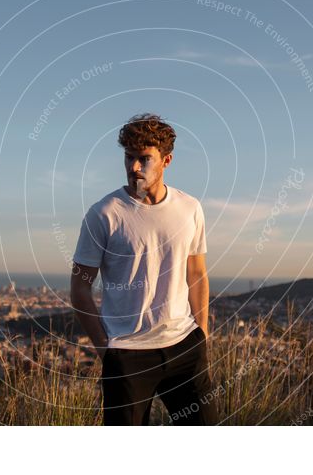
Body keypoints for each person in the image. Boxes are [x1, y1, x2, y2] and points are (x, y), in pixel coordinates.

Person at [70, 113, 218, 425]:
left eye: (144, 158)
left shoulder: (190, 208)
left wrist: (201, 334)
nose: (134, 167)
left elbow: (197, 273)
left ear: (167, 160)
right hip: (127, 354)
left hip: (184, 347)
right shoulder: (104, 214)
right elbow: (80, 287)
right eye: (129, 157)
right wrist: (107, 352)